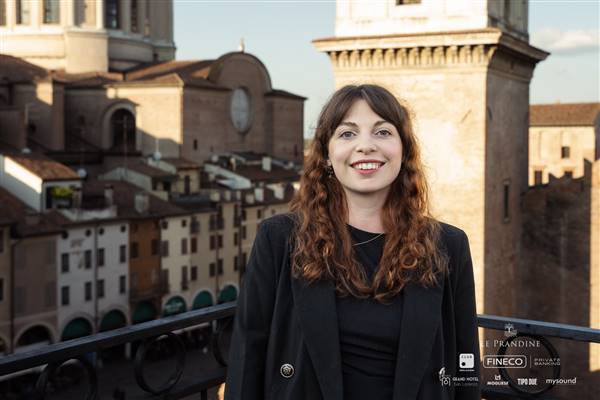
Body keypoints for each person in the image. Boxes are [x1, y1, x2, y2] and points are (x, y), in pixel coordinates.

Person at [224, 84, 481, 400]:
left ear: (404, 151)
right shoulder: (278, 239)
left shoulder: (449, 245)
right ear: (326, 155)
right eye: (347, 134)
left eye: (382, 132)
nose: (366, 146)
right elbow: (247, 356)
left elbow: (466, 362)